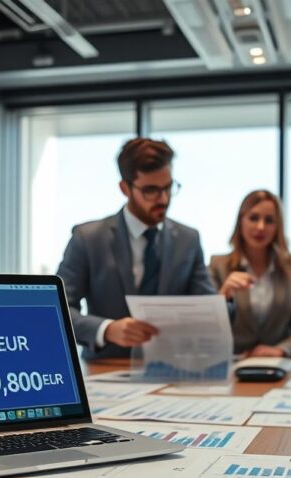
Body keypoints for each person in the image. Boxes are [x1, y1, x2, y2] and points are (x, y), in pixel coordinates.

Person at [56, 138, 216, 360]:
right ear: (125, 188)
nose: (164, 198)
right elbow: (56, 310)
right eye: (151, 190)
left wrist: (223, 301)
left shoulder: (188, 239)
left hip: (172, 371)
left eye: (168, 187)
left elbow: (207, 310)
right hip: (107, 367)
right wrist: (107, 329)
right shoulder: (88, 238)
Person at [209, 190, 291, 357]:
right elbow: (207, 325)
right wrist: (223, 295)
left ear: (278, 227)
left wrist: (282, 349)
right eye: (253, 218)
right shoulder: (218, 265)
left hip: (277, 364)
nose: (260, 227)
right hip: (234, 361)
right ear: (240, 221)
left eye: (269, 220)